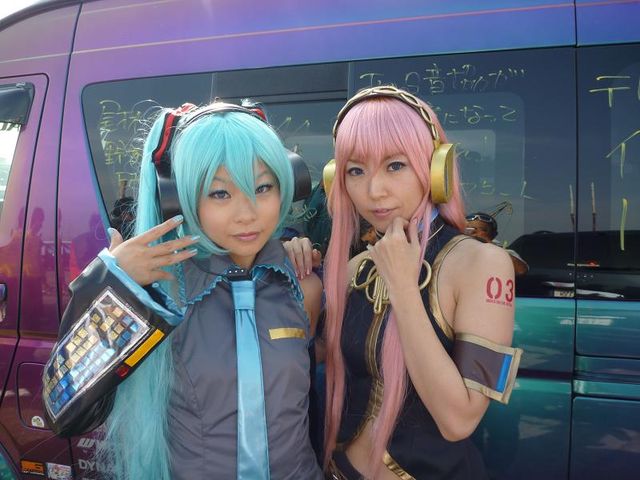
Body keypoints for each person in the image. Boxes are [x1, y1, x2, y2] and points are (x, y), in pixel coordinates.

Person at [42, 101, 324, 480]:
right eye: (220, 194)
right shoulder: (161, 295)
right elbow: (64, 411)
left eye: (263, 187)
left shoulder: (301, 284)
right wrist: (112, 286)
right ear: (179, 198)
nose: (248, 213)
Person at [290, 86, 522, 479]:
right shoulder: (357, 268)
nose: (374, 190)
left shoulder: (484, 265)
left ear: (435, 168)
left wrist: (403, 287)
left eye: (395, 165)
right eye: (356, 171)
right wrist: (288, 278)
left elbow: (459, 420)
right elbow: (302, 360)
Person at [465, 212, 529, 276]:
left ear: (494, 234)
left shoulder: (503, 252)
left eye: (483, 229)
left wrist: (489, 244)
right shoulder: (460, 248)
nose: (473, 232)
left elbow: (521, 271)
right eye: (468, 229)